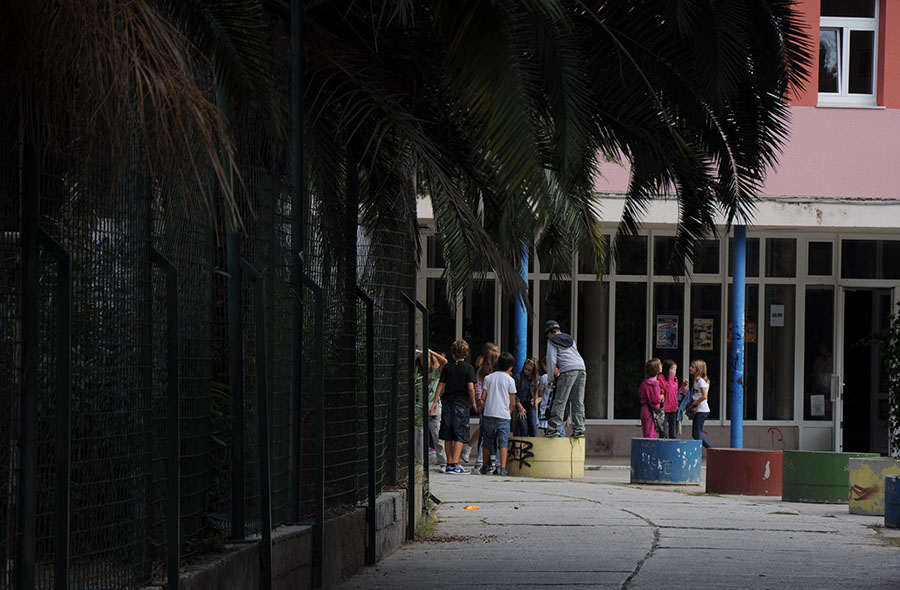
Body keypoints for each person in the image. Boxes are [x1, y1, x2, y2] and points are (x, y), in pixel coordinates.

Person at [434, 340, 478, 473]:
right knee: (460, 433)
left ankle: (448, 463)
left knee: (448, 433)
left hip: (447, 402)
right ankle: (455, 463)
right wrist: (473, 402)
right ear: (466, 353)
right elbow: (470, 387)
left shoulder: (448, 367)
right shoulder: (468, 368)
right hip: (461, 403)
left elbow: (440, 384)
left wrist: (435, 401)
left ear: (452, 353)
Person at [543, 320, 586, 438]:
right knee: (578, 401)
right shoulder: (570, 339)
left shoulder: (552, 340)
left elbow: (551, 361)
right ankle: (579, 429)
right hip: (581, 368)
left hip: (568, 370)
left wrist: (551, 379)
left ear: (549, 333)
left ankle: (553, 428)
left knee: (560, 400)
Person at [480, 352, 518, 475]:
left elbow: (483, 397)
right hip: (503, 414)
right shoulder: (510, 380)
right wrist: (509, 412)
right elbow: (512, 402)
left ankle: (485, 466)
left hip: (489, 413)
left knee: (487, 442)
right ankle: (502, 467)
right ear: (510, 367)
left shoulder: (488, 378)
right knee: (503, 442)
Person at [463, 342, 499, 469]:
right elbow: (477, 385)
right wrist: (479, 400)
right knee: (484, 429)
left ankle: (487, 456)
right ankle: (480, 457)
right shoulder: (482, 368)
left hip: (494, 402)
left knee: (489, 429)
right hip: (485, 402)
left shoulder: (497, 369)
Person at [425, 349, 448, 466]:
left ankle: (442, 461)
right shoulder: (418, 372)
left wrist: (430, 351)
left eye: (426, 360)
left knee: (437, 436)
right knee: (419, 435)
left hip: (432, 406)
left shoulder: (435, 372)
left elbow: (444, 361)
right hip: (420, 405)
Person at [688, 359, 714, 449]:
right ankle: (709, 448)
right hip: (699, 410)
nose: (690, 368)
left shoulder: (700, 381)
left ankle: (710, 449)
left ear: (698, 369)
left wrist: (695, 403)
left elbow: (704, 396)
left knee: (697, 433)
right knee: (695, 433)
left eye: (693, 367)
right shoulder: (697, 381)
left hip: (701, 409)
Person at [513, 357, 539, 436]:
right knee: (524, 428)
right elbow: (513, 394)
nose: (526, 371)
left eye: (529, 370)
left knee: (533, 428)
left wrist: (536, 399)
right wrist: (520, 407)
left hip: (530, 405)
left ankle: (533, 443)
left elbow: (541, 392)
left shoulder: (536, 379)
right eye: (525, 369)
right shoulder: (518, 377)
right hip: (521, 404)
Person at [639, 358, 663, 438]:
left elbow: (641, 393)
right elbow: (657, 399)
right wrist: (661, 396)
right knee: (651, 433)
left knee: (646, 432)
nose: (661, 366)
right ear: (656, 369)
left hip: (644, 408)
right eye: (660, 365)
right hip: (651, 411)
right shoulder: (655, 384)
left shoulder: (644, 382)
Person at [658, 359, 682, 438]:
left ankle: (673, 445)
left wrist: (682, 387)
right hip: (664, 409)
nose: (675, 372)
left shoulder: (675, 379)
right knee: (663, 432)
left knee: (673, 432)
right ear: (668, 369)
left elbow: (675, 392)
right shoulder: (661, 378)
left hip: (673, 408)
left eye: (675, 369)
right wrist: (671, 377)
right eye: (673, 369)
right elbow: (668, 389)